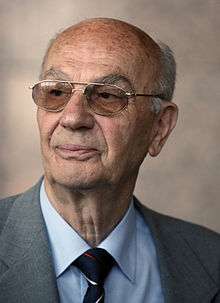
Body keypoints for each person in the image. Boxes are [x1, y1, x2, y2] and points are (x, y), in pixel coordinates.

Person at [0, 18, 220, 303]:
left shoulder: (210, 260)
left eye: (106, 96)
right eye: (56, 92)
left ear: (159, 127)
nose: (73, 118)